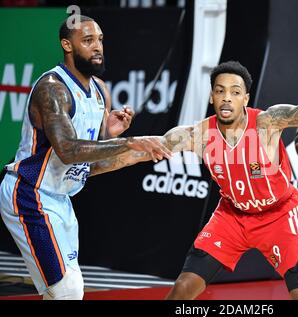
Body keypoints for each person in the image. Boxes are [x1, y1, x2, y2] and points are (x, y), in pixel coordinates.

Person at [157, 17, 298, 300]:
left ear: (245, 98)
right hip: (231, 216)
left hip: (279, 215)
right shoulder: (198, 135)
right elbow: (145, 149)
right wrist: (93, 157)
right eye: (220, 92)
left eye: (235, 92)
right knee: (182, 289)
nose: (226, 98)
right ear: (211, 97)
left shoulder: (268, 123)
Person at [0, 15, 171, 300]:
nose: (98, 47)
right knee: (67, 290)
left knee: (67, 291)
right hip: (29, 194)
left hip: (61, 198)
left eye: (100, 40)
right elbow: (68, 151)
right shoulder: (52, 89)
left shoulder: (100, 92)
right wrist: (128, 142)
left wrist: (126, 147)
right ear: (67, 45)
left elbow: (89, 165)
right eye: (88, 40)